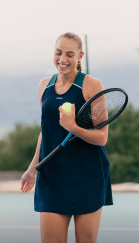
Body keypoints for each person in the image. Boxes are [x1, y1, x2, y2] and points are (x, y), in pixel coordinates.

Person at [20, 32, 113, 243]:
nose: (63, 59)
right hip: (52, 177)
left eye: (70, 54)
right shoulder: (44, 85)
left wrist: (73, 127)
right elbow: (46, 130)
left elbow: (102, 138)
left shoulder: (92, 85)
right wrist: (33, 168)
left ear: (80, 55)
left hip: (87, 176)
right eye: (59, 52)